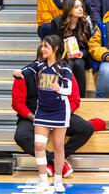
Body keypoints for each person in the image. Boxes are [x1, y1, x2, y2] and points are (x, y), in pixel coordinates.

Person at [12, 44, 94, 178]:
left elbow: (74, 100)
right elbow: (17, 103)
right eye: (41, 57)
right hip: (33, 115)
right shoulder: (25, 73)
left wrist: (62, 115)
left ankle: (57, 160)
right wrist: (37, 119)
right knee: (21, 136)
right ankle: (53, 160)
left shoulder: (64, 70)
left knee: (86, 128)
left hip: (59, 112)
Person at [13, 35, 73, 193]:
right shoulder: (38, 64)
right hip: (43, 111)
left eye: (46, 46)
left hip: (60, 111)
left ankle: (58, 181)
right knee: (39, 145)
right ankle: (43, 181)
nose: (42, 49)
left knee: (59, 147)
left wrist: (59, 89)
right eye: (42, 45)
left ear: (56, 48)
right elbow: (26, 72)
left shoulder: (65, 67)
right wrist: (18, 73)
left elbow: (69, 89)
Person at [51, 0, 91, 97]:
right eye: (76, 7)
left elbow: (90, 48)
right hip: (61, 56)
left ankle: (80, 97)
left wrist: (82, 54)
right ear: (69, 10)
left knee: (78, 64)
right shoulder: (58, 22)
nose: (80, 9)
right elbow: (54, 44)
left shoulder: (85, 24)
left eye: (81, 6)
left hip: (80, 57)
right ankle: (62, 95)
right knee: (68, 64)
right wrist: (65, 54)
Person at [88, 10, 109, 98]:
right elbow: (93, 45)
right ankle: (100, 99)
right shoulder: (102, 25)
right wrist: (105, 55)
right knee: (105, 70)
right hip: (106, 59)